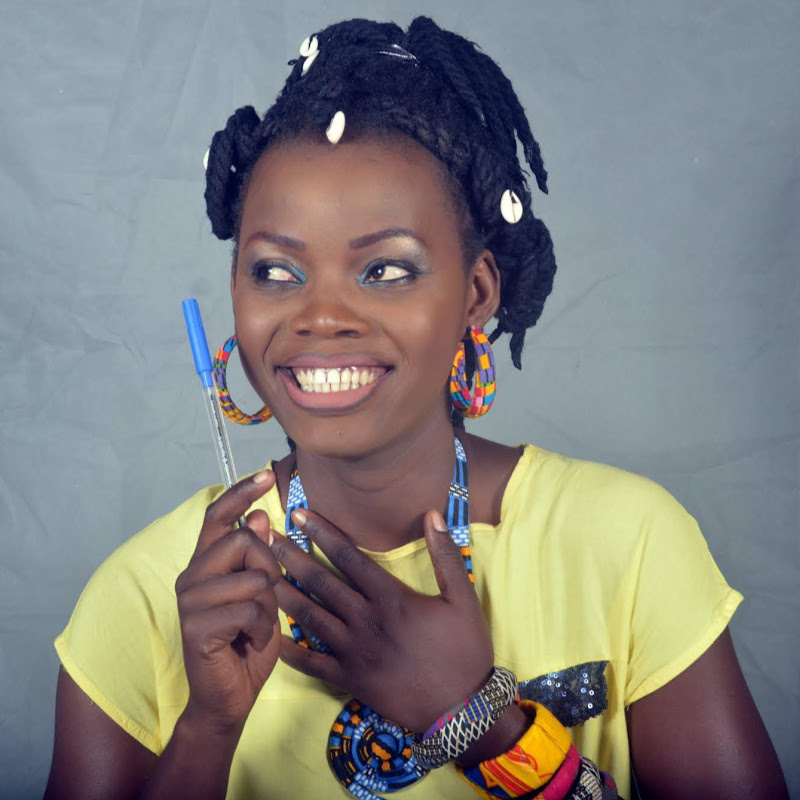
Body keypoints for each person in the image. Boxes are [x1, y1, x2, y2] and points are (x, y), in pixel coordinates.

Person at [44, 16, 788, 800]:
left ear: (476, 293)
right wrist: (208, 728)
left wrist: (480, 720)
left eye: (386, 271)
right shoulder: (144, 595)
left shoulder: (628, 545)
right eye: (276, 272)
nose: (320, 316)